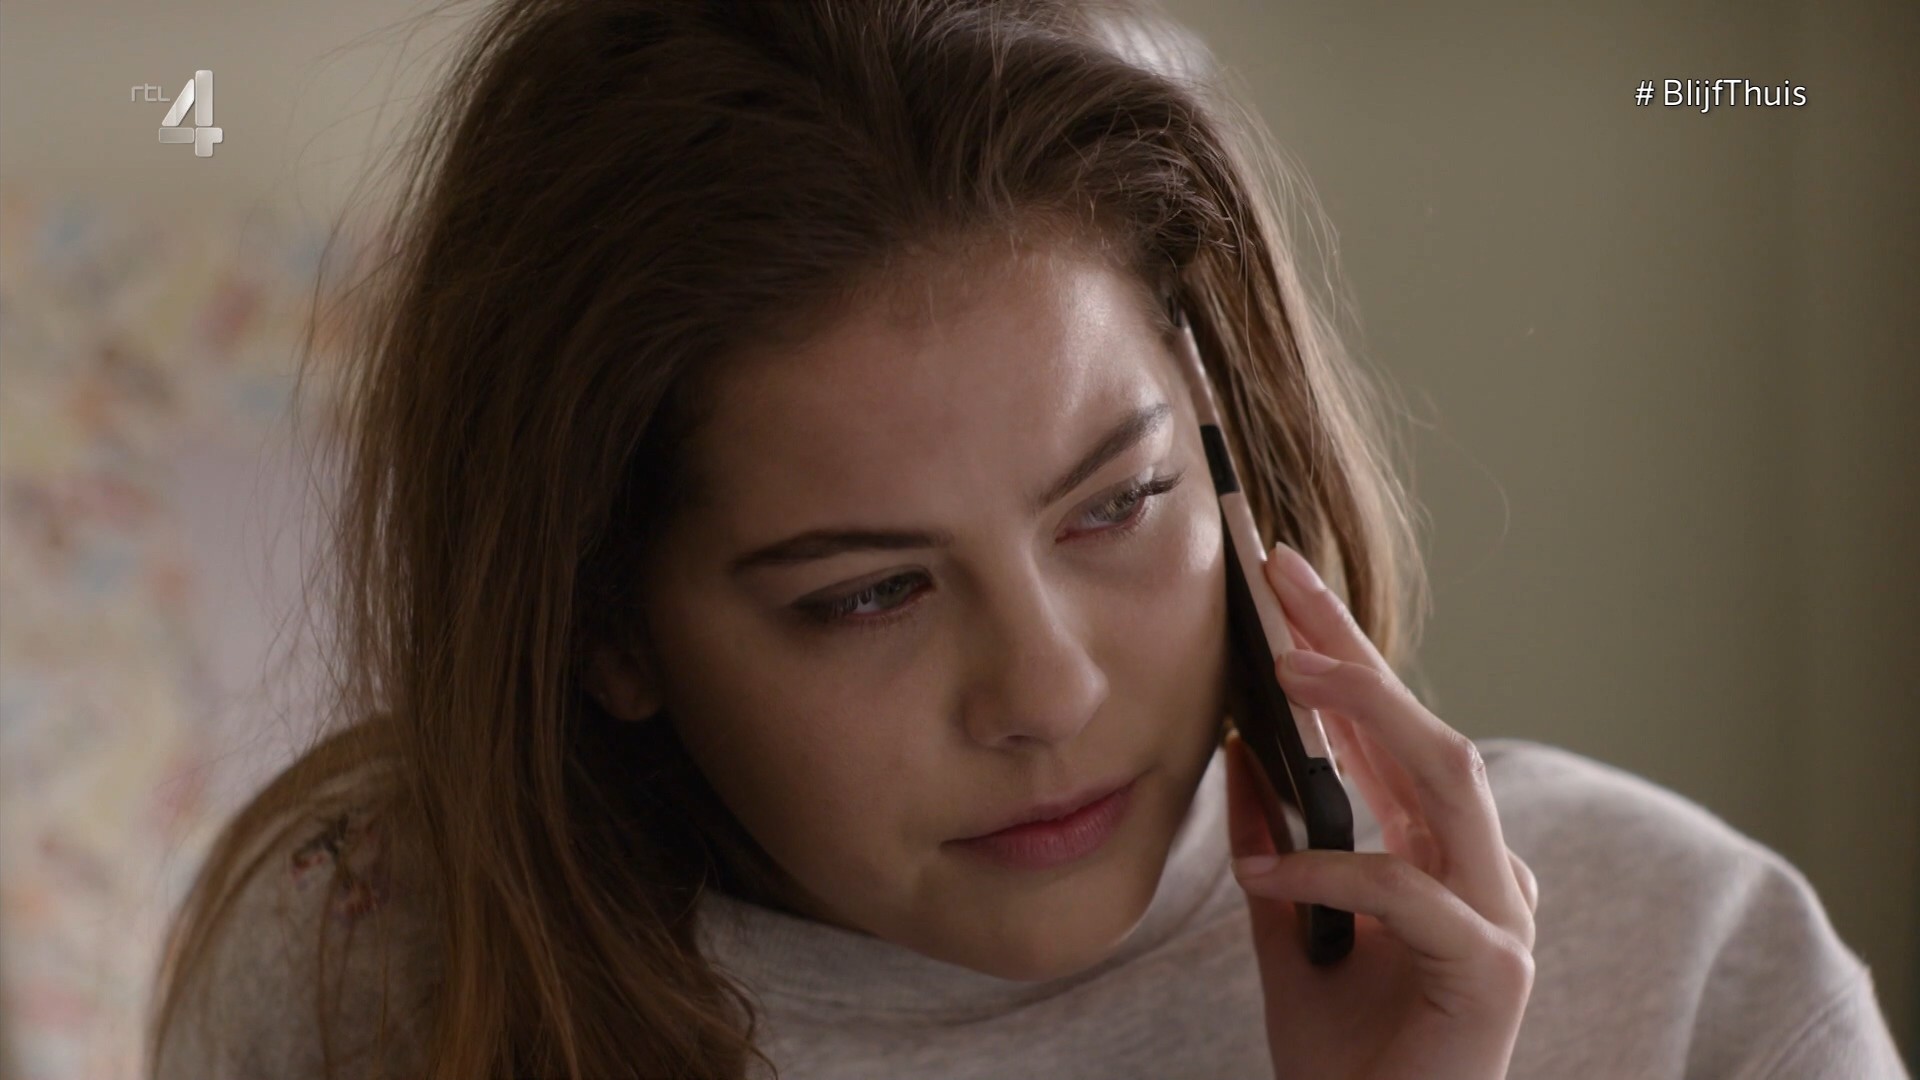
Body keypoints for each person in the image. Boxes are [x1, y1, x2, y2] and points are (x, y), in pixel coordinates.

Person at [145, 0, 1911, 1077]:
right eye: (870, 594)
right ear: (605, 625)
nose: (1048, 690)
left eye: (1119, 504)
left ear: (1224, 440)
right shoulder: (375, 974)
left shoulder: (1680, 962)